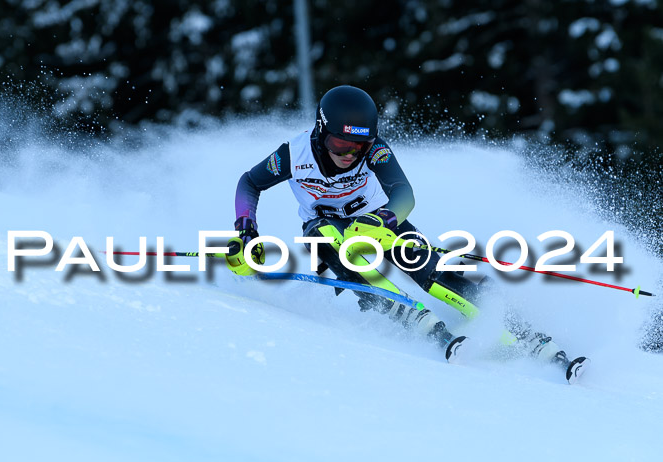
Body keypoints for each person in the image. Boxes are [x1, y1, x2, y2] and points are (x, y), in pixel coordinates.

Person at [228, 85, 587, 381]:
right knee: (330, 237)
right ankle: (401, 309)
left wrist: (383, 219)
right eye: (341, 145)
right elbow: (249, 182)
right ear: (322, 131)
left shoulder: (376, 150)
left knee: (425, 268)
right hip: (324, 226)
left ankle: (515, 330)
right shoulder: (293, 154)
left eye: (359, 147)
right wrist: (247, 229)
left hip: (377, 219)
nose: (350, 156)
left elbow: (404, 195)